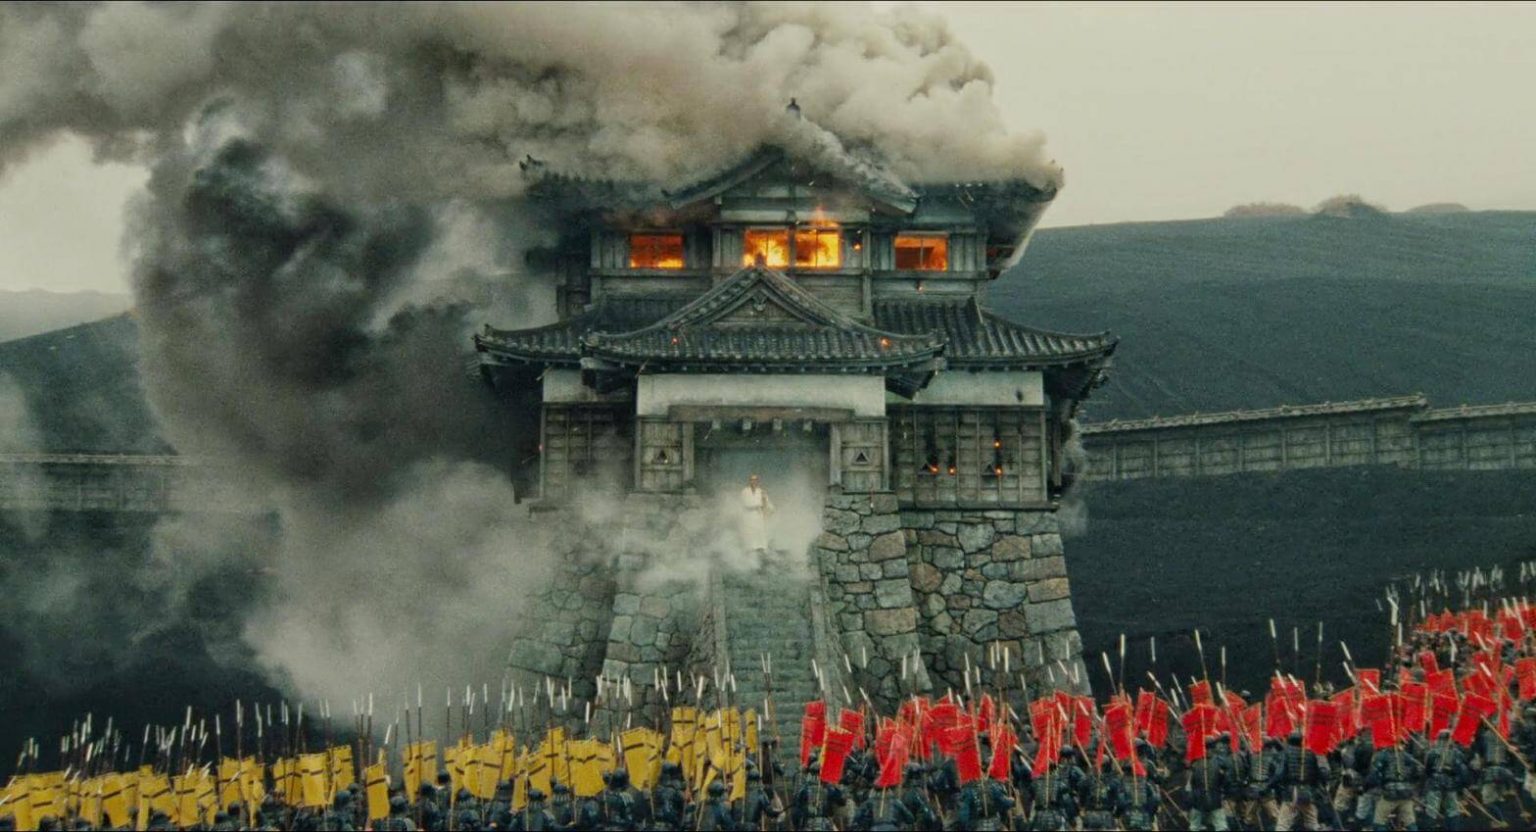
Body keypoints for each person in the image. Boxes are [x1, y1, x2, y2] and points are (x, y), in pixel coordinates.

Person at [739, 474, 774, 554]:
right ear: (749, 481)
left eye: (755, 480)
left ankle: (762, 550)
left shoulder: (761, 491)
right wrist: (758, 505)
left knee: (760, 533)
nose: (753, 482)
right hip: (748, 515)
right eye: (752, 480)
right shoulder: (745, 491)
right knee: (749, 533)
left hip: (758, 516)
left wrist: (771, 510)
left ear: (758, 481)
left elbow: (767, 503)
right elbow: (744, 503)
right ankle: (749, 551)